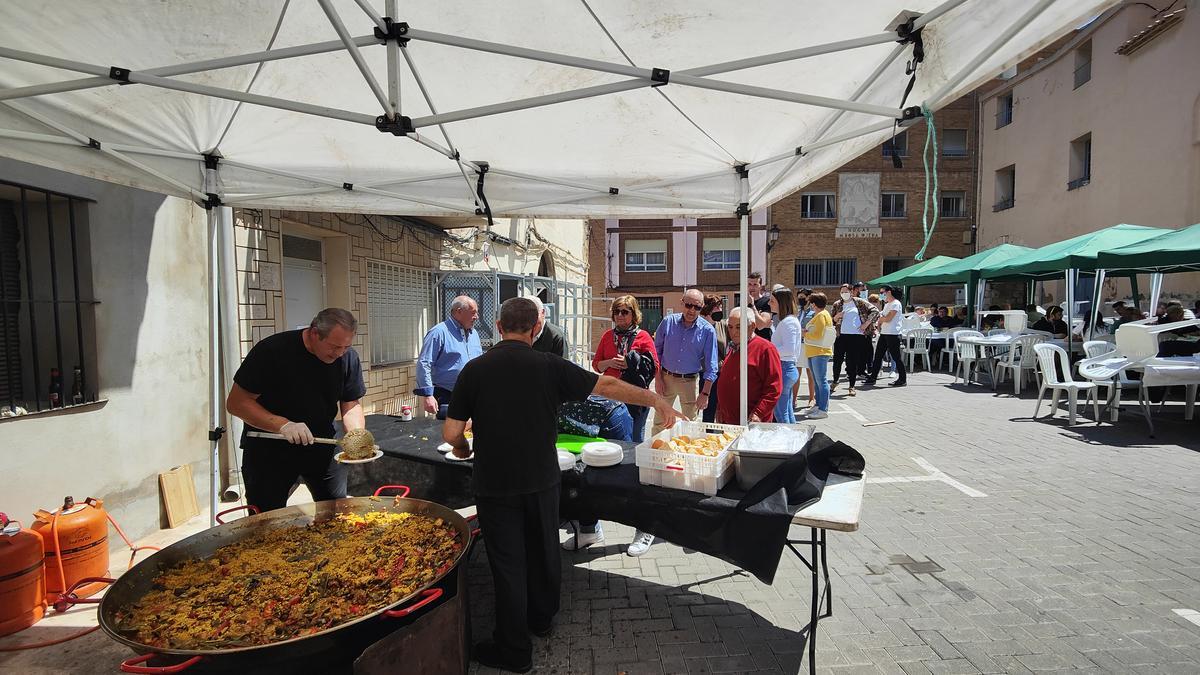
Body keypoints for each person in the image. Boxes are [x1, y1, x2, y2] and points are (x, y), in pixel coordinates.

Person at [443, 298, 676, 673]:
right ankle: (541, 620)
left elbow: (452, 431)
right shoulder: (551, 365)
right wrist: (655, 399)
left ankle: (514, 651)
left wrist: (463, 446)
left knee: (507, 563)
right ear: (536, 330)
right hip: (542, 479)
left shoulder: (475, 369)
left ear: (498, 328)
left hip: (496, 482)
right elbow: (609, 386)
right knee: (543, 548)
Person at [226, 308, 366, 511]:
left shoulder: (347, 357)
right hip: (271, 447)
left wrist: (356, 435)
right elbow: (236, 403)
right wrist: (283, 425)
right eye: (335, 347)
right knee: (267, 518)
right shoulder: (272, 351)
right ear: (314, 333)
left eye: (346, 347)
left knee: (335, 510)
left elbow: (350, 403)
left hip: (322, 443)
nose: (339, 354)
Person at [591, 295, 659, 442]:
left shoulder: (644, 336)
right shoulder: (607, 336)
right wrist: (609, 362)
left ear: (633, 314)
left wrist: (631, 363)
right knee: (611, 440)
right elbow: (596, 365)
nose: (620, 315)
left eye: (625, 312)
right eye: (617, 311)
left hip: (635, 397)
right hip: (610, 397)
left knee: (634, 441)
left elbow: (655, 367)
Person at [652, 288, 719, 435]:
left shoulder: (708, 331)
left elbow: (712, 366)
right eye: (689, 305)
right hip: (665, 378)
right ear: (682, 303)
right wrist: (658, 379)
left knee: (690, 424)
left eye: (697, 307)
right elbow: (656, 353)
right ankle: (655, 453)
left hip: (689, 382)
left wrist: (705, 394)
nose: (692, 310)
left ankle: (688, 455)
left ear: (702, 308)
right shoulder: (667, 322)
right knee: (659, 421)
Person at [415, 295, 483, 418]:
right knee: (448, 434)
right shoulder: (439, 332)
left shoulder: (474, 334)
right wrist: (428, 395)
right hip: (447, 395)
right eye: (473, 313)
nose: (476, 317)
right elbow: (424, 363)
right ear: (459, 312)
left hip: (472, 395)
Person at [715, 307, 782, 424]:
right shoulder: (734, 348)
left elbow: (774, 387)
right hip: (729, 421)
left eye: (738, 327)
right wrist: (720, 408)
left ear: (752, 326)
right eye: (730, 327)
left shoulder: (766, 349)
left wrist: (759, 412)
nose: (733, 332)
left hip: (752, 422)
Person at [830, 283, 878, 397]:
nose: (844, 294)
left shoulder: (859, 302)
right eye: (842, 292)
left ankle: (852, 386)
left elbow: (875, 311)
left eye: (846, 291)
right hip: (841, 336)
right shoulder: (837, 304)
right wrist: (836, 317)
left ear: (852, 292)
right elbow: (831, 320)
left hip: (856, 336)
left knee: (852, 362)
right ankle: (835, 381)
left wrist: (866, 324)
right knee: (837, 360)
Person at [769, 288, 802, 423]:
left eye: (772, 301)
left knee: (781, 413)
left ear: (781, 303)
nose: (769, 303)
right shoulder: (789, 321)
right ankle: (794, 440)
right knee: (786, 411)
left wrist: (769, 350)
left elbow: (789, 349)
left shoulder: (788, 322)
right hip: (786, 368)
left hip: (784, 368)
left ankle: (788, 441)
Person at [864, 285, 907, 387]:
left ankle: (902, 379)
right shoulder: (887, 304)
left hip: (893, 334)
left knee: (896, 357)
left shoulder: (896, 304)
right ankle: (873, 377)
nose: (881, 294)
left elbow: (887, 318)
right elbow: (881, 316)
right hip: (885, 333)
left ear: (889, 292)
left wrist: (882, 319)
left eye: (882, 292)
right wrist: (881, 320)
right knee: (878, 356)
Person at [800, 292, 833, 419]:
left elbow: (818, 334)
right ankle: (819, 406)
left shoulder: (821, 315)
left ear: (814, 304)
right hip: (815, 351)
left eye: (811, 303)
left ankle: (823, 409)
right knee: (818, 381)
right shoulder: (821, 314)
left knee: (821, 381)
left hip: (819, 352)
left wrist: (805, 333)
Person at [700, 294, 728, 423]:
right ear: (708, 309)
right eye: (717, 307)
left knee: (723, 408)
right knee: (709, 409)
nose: (720, 309)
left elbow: (731, 344)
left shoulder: (722, 325)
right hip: (706, 374)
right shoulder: (700, 326)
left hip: (722, 373)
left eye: (720, 306)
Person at [795, 289, 816, 411]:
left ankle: (811, 398)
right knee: (796, 373)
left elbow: (814, 328)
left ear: (808, 298)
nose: (800, 299)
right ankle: (794, 398)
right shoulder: (798, 311)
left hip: (808, 344)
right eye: (799, 297)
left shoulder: (813, 312)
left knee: (810, 373)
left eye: (803, 297)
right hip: (798, 345)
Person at [746, 272, 774, 339]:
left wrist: (752, 305)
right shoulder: (742, 304)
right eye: (749, 284)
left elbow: (760, 325)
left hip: (763, 343)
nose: (752, 287)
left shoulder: (767, 302)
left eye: (755, 284)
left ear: (760, 286)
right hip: (747, 343)